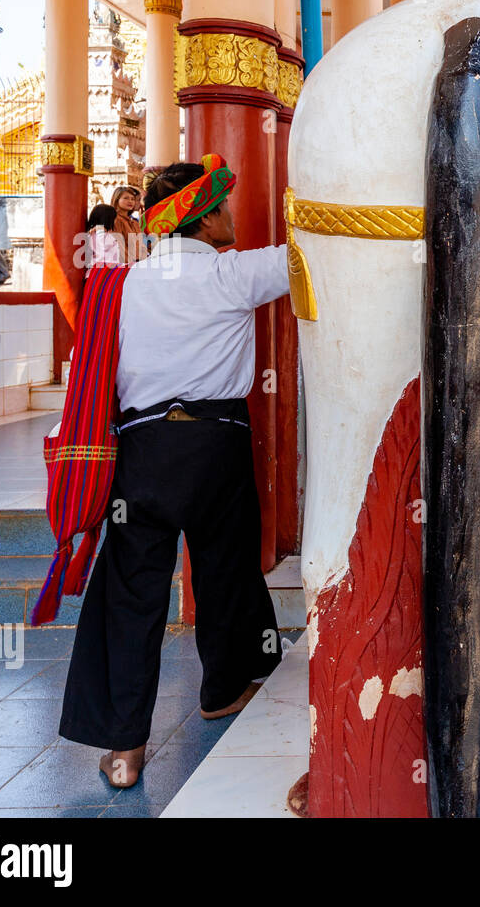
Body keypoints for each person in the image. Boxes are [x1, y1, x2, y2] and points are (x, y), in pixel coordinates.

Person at [58, 155, 289, 788]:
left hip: (144, 450)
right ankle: (222, 688)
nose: (233, 216)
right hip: (218, 447)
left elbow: (88, 366)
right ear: (206, 217)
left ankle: (125, 749)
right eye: (225, 206)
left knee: (131, 592)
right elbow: (315, 248)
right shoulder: (238, 272)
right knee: (226, 569)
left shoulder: (119, 285)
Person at [111, 185, 147, 262]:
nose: (130, 201)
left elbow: (141, 245)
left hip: (140, 263)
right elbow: (119, 246)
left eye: (132, 199)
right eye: (126, 198)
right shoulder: (115, 220)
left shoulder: (134, 223)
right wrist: (130, 264)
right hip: (127, 265)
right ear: (117, 200)